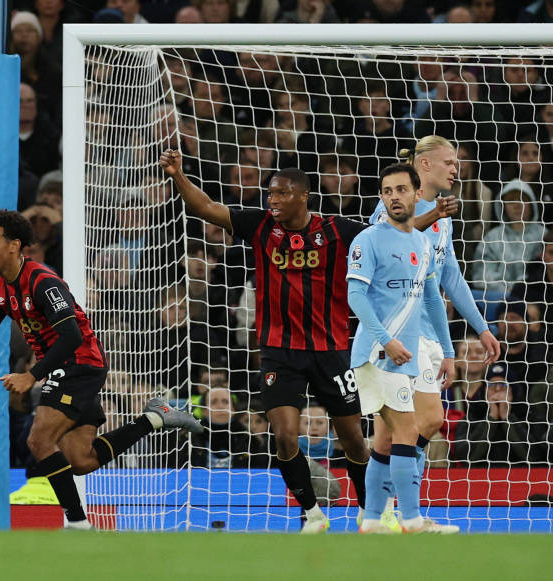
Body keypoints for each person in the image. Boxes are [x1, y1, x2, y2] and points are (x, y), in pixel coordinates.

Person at [0, 209, 203, 529]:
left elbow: (71, 336)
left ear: (14, 245)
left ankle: (77, 523)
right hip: (63, 366)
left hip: (80, 362)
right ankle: (154, 418)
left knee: (39, 440)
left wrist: (31, 375)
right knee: (82, 460)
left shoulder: (43, 281)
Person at [160, 148, 372, 532]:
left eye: (281, 193)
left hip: (330, 350)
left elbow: (386, 236)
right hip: (278, 352)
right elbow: (206, 207)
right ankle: (312, 514)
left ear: (304, 196)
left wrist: (428, 215)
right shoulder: (259, 225)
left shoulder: (338, 230)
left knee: (354, 440)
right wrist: (177, 175)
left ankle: (367, 510)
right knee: (285, 437)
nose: (272, 200)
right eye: (270, 193)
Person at [369, 137, 501, 529]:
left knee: (390, 437)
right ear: (424, 165)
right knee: (426, 420)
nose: (456, 169)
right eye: (448, 162)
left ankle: (377, 517)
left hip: (427, 332)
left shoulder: (444, 218)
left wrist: (482, 327)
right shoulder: (393, 205)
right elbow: (385, 244)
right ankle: (401, 515)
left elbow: (450, 277)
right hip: (395, 333)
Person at [347, 163, 456, 534]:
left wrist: (449, 352)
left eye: (401, 189)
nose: (394, 197)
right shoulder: (368, 240)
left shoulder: (422, 243)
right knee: (408, 431)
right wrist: (387, 340)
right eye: (387, 191)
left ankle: (371, 520)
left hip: (402, 355)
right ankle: (411, 520)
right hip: (376, 354)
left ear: (417, 193)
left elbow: (433, 300)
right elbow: (356, 296)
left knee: (386, 439)